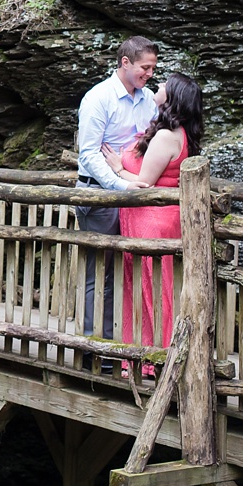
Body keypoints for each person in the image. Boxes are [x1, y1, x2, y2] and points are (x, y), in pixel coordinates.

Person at [103, 71, 204, 376]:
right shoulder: (180, 133)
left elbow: (145, 183)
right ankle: (149, 356)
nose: (158, 86)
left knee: (151, 289)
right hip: (160, 218)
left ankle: (151, 359)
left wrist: (119, 169)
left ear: (172, 96)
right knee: (154, 287)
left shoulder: (165, 137)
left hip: (152, 218)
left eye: (164, 85)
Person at [74, 35, 159, 360]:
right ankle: (96, 351)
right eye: (144, 67)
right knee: (103, 272)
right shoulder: (99, 99)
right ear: (125, 63)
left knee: (131, 270)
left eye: (152, 68)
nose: (149, 74)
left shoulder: (148, 98)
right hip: (100, 193)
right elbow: (90, 154)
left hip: (132, 193)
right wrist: (121, 185)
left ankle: (127, 349)